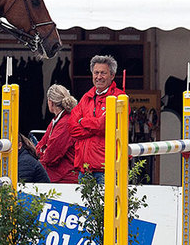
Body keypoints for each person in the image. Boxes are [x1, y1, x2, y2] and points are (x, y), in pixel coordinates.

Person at [69, 55, 124, 185]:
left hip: (107, 168)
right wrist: (95, 127)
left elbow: (104, 125)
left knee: (109, 205)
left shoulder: (119, 98)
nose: (99, 77)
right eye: (96, 73)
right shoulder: (86, 97)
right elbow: (72, 128)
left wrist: (83, 121)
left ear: (112, 75)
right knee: (83, 205)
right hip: (85, 169)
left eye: (103, 73)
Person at [35, 84, 78, 183]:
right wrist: (44, 150)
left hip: (64, 177)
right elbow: (40, 146)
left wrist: (43, 151)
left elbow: (51, 156)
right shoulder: (58, 120)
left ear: (50, 102)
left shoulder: (65, 122)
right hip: (61, 175)